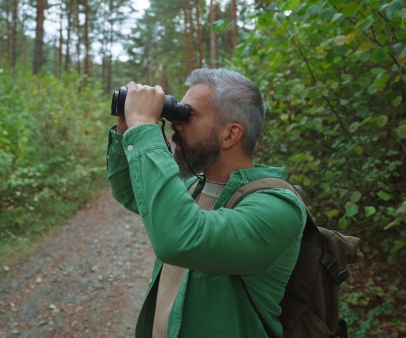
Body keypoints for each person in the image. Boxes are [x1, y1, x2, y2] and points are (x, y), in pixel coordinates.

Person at [106, 68, 306, 338]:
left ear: (230, 134)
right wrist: (126, 128)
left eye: (188, 114)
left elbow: (179, 238)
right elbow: (131, 191)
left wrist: (145, 126)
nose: (177, 123)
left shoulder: (277, 208)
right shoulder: (193, 187)